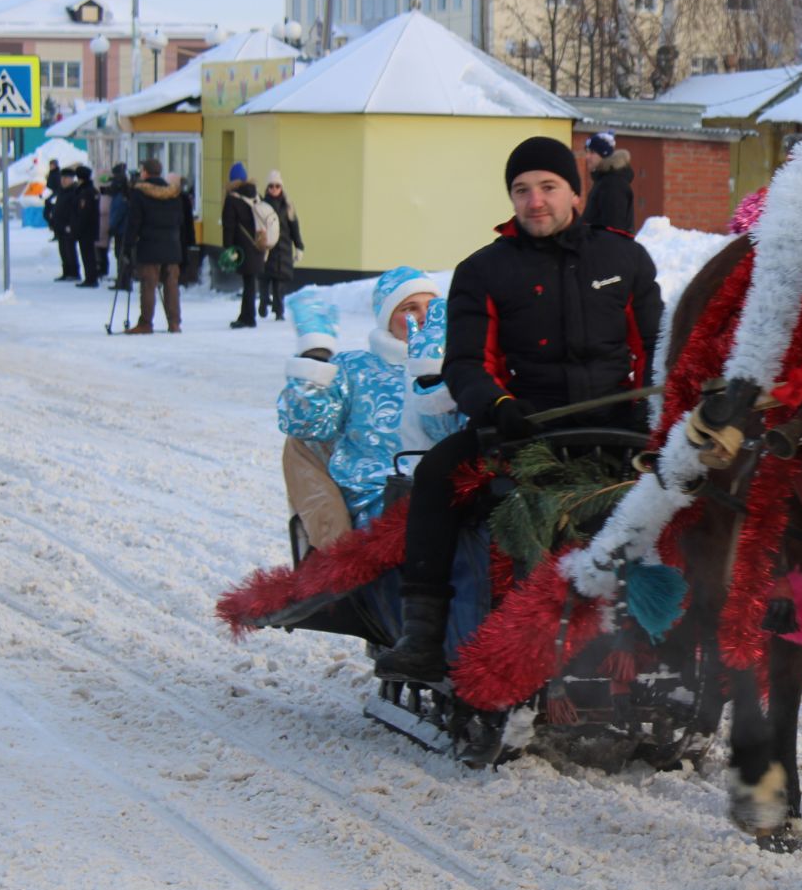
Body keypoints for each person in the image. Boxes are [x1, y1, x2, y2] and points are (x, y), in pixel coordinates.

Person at [374, 135, 663, 682]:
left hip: (618, 427)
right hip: (520, 429)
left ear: (575, 194)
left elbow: (656, 349)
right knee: (435, 474)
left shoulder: (624, 257)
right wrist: (499, 406)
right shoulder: (483, 270)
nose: (536, 201)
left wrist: (651, 420)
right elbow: (465, 364)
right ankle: (424, 636)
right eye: (522, 190)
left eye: (549, 188)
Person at [277, 267, 462, 526]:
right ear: (387, 319)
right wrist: (314, 358)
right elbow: (307, 425)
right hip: (378, 502)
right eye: (410, 308)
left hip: (449, 495)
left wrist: (432, 373)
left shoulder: (460, 366)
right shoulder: (354, 368)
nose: (423, 317)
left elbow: (452, 433)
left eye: (431, 307)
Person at [123, 158, 186, 334]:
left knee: (149, 285)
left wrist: (128, 244)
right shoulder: (173, 194)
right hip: (172, 245)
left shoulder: (140, 194)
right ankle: (174, 322)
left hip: (149, 245)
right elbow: (180, 220)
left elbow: (134, 222)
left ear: (145, 172)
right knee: (171, 285)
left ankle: (145, 323)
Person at [221, 162, 268, 328]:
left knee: (248, 282)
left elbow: (229, 226)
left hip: (242, 246)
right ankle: (247, 315)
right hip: (258, 243)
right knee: (250, 281)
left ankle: (248, 318)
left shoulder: (232, 199)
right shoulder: (256, 196)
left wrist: (228, 248)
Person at [261, 170, 304, 320]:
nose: (274, 189)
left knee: (280, 281)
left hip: (284, 247)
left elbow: (294, 227)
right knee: (265, 278)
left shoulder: (288, 206)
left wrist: (299, 246)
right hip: (267, 247)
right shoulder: (262, 205)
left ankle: (279, 311)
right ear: (267, 188)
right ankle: (263, 303)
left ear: (281, 187)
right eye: (271, 186)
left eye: (277, 186)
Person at [582, 130, 635, 233]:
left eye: (592, 152)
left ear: (604, 155)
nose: (587, 157)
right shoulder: (603, 181)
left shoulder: (613, 184)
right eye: (587, 152)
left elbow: (614, 230)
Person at [45, 159, 80, 282]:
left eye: (66, 178)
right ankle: (66, 272)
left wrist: (71, 224)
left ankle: (74, 272)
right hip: (59, 226)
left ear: (72, 179)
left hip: (68, 226)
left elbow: (74, 211)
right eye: (62, 178)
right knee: (63, 250)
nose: (63, 180)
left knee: (70, 250)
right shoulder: (61, 191)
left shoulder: (74, 191)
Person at [68, 165, 103, 288]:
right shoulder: (90, 190)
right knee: (88, 254)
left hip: (86, 230)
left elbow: (84, 213)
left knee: (88, 255)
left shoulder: (86, 192)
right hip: (90, 228)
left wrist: (77, 228)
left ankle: (91, 278)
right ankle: (90, 277)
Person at [105, 164, 134, 291]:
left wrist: (112, 227)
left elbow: (118, 212)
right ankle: (123, 280)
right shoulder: (124, 193)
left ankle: (124, 281)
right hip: (122, 229)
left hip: (121, 230)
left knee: (122, 255)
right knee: (121, 255)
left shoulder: (121, 196)